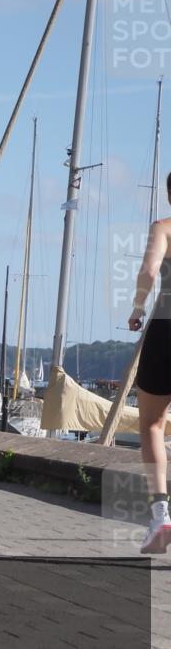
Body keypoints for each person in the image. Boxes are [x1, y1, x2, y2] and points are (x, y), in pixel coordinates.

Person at [130, 173, 171, 554]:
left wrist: (137, 307)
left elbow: (148, 271)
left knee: (152, 425)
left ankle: (161, 514)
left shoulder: (164, 227)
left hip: (165, 329)